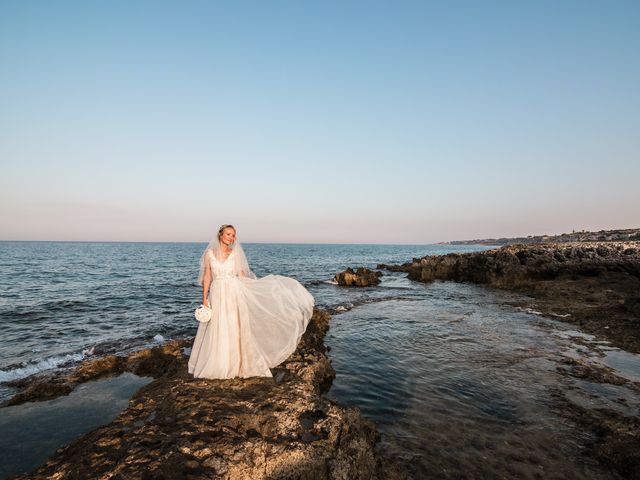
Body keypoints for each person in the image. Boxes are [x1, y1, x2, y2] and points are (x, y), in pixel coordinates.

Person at [188, 224, 314, 379]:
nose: (231, 237)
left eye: (233, 235)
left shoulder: (234, 254)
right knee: (219, 325)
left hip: (234, 292)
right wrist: (204, 299)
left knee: (234, 325)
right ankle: (219, 363)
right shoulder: (209, 254)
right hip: (217, 292)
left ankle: (235, 364)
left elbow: (241, 276)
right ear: (220, 235)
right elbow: (207, 277)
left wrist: (252, 290)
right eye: (228, 234)